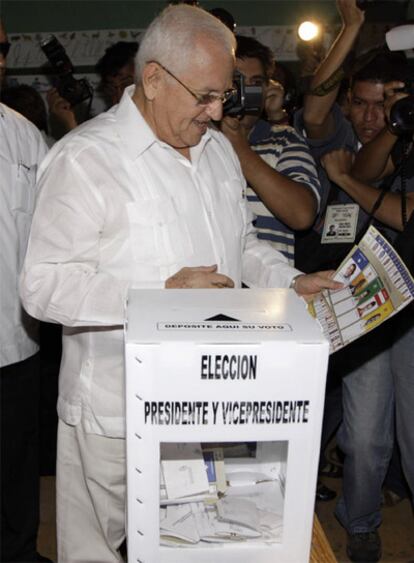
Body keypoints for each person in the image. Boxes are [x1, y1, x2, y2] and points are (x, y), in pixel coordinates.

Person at [19, 6, 341, 561]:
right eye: (206, 95)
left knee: (195, 542)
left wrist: (291, 284)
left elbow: (239, 248)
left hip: (206, 404)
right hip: (114, 411)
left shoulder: (216, 151)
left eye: (225, 94)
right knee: (96, 551)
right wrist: (158, 295)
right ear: (153, 80)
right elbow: (42, 287)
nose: (218, 112)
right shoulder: (85, 159)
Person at [297, 0, 414, 559]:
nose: (372, 117)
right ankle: (360, 523)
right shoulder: (341, 134)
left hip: (411, 308)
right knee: (364, 438)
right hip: (357, 304)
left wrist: (402, 119)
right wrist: (351, 30)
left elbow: (399, 205)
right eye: (362, 104)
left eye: (383, 106)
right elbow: (317, 111)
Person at [0, 18, 51, 563]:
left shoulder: (21, 134)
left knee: (17, 467)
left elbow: (52, 229)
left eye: (1, 47)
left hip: (13, 340)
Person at [221, 34, 321, 265]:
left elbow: (302, 214)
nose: (245, 92)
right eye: (237, 82)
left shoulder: (284, 139)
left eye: (256, 83)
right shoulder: (196, 139)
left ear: (268, 88)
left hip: (271, 290)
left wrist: (238, 145)